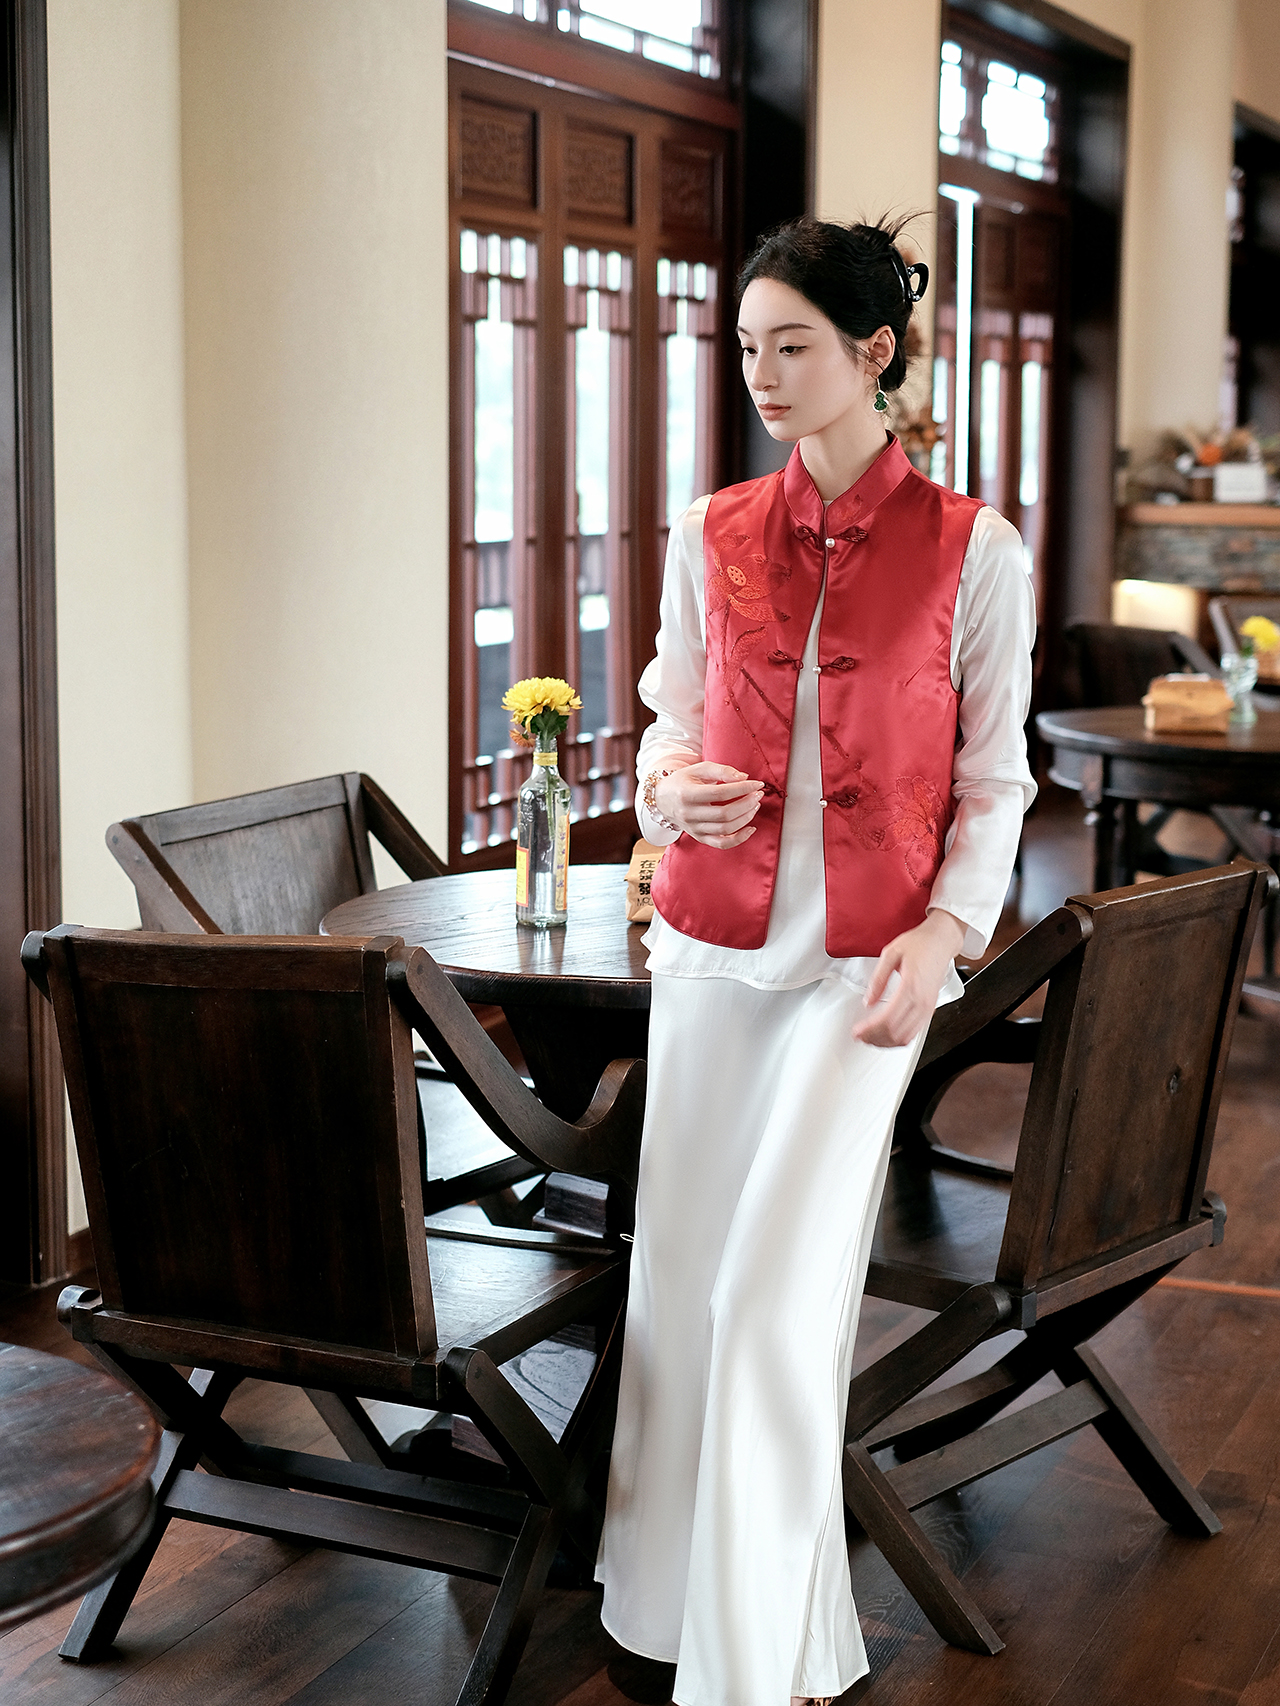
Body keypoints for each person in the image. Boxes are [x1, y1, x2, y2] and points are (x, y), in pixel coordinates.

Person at [596, 216, 1036, 1706]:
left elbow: (997, 781)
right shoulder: (711, 531)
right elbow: (663, 721)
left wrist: (946, 932)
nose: (764, 375)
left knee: (774, 1305)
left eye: (793, 345)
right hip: (712, 951)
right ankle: (700, 1626)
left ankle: (750, 1663)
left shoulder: (977, 548)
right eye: (746, 348)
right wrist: (672, 790)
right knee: (680, 1288)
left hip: (867, 970)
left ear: (875, 353)